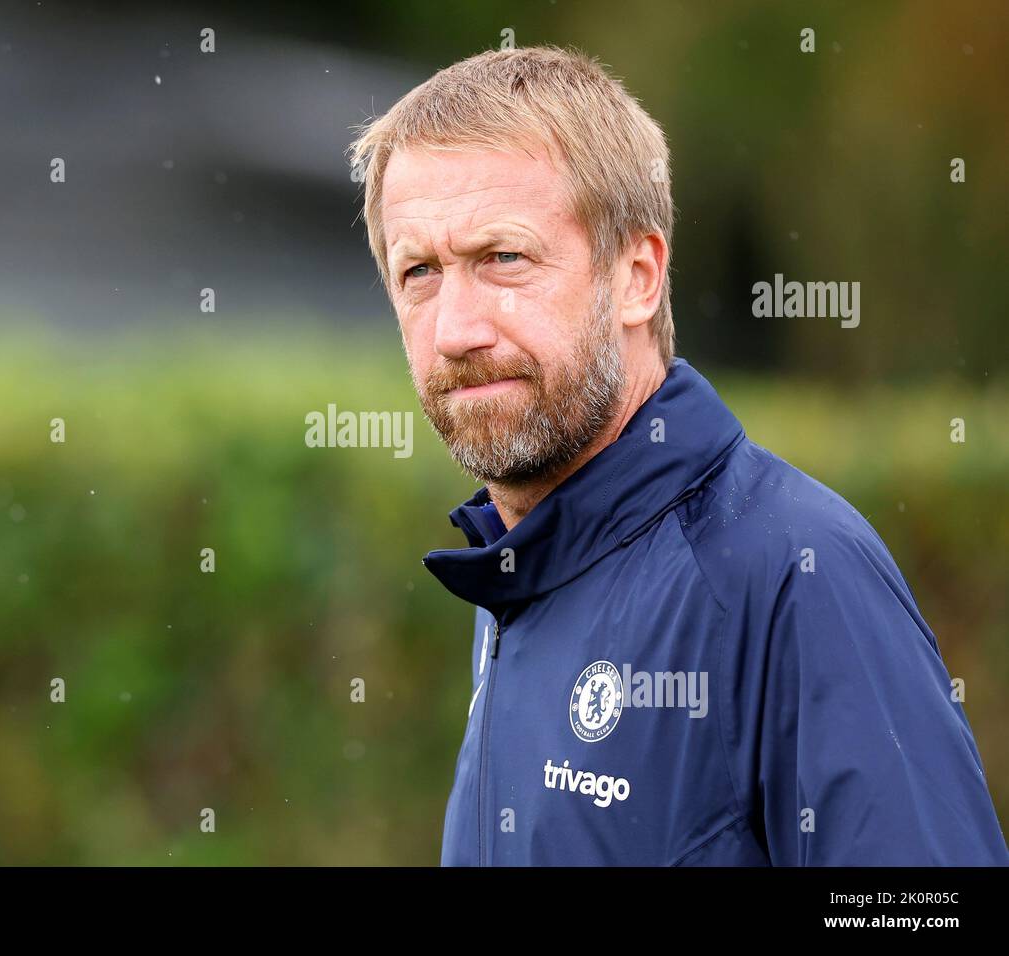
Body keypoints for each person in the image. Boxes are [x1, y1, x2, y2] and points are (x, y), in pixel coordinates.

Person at [348, 44, 1009, 865]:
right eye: (420, 273)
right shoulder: (515, 578)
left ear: (637, 276)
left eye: (503, 258)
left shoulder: (796, 573)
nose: (456, 329)